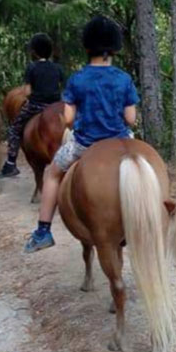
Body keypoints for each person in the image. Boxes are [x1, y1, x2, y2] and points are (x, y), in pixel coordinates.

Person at [24, 16, 139, 253]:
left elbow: (67, 119)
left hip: (84, 144)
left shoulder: (77, 79)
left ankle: (43, 231)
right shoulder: (124, 79)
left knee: (52, 174)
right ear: (116, 48)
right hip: (121, 141)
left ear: (87, 47)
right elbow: (131, 119)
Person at [0, 33, 64, 178]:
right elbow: (59, 87)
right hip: (56, 105)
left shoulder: (32, 68)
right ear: (51, 51)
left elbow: (28, 91)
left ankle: (10, 163)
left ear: (33, 52)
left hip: (37, 106)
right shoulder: (57, 68)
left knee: (14, 129)